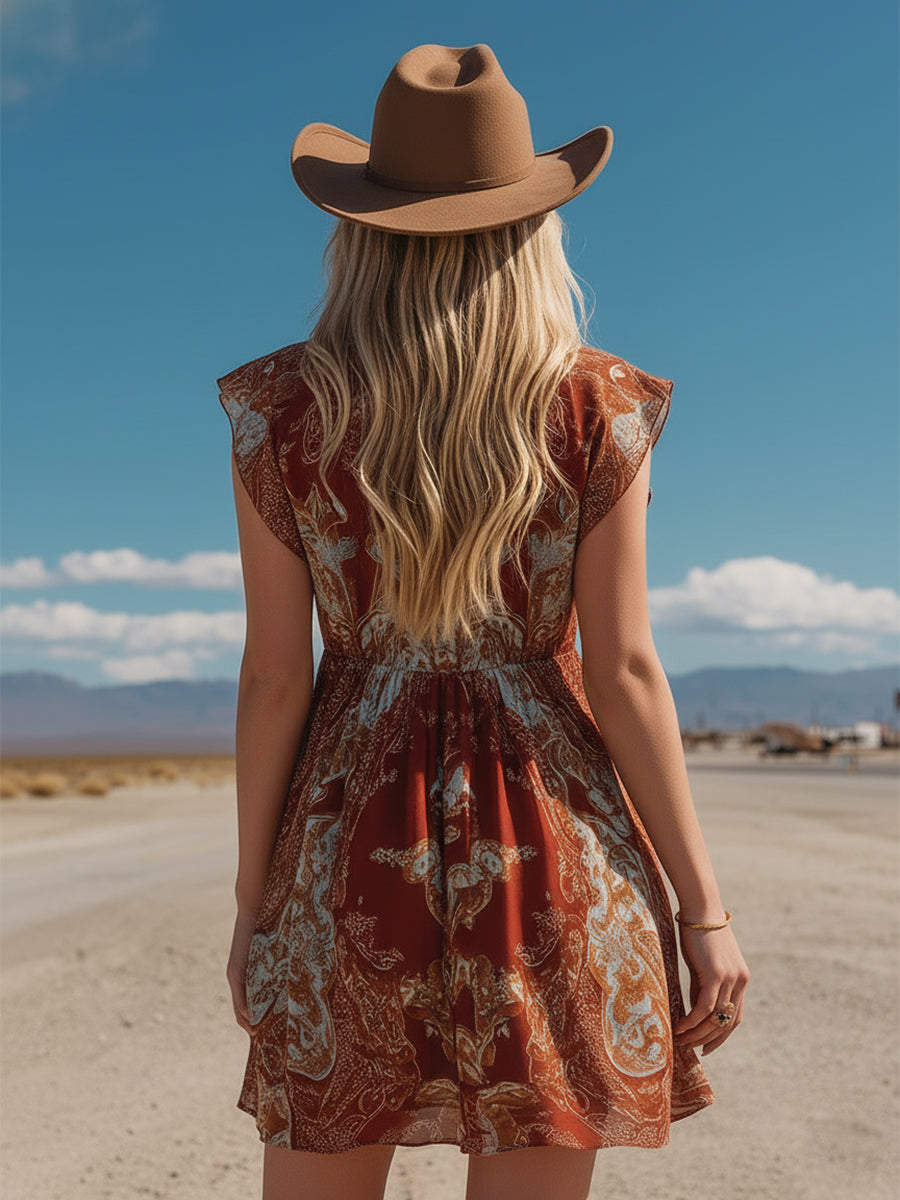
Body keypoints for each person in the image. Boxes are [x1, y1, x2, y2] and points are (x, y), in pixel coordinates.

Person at [221, 42, 750, 1200]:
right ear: (533, 227)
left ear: (359, 227)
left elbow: (273, 681)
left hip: (345, 841)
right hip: (553, 848)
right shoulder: (597, 405)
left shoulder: (277, 409)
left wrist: (260, 905)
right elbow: (622, 671)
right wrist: (703, 912)